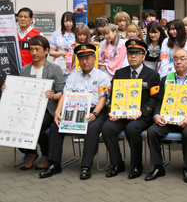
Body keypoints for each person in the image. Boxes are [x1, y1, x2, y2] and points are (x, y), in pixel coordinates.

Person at [39, 44, 109, 179]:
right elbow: (65, 95)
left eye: (88, 58)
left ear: (94, 59)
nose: (85, 62)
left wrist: (94, 114)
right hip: (75, 109)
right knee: (56, 126)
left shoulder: (102, 76)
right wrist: (57, 113)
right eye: (81, 59)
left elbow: (103, 98)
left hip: (95, 111)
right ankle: (54, 164)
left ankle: (86, 166)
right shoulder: (72, 76)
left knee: (92, 128)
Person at [1, 36, 65, 171]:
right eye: (31, 49)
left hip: (48, 109)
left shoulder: (55, 69)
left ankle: (46, 154)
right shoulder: (24, 69)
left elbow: (62, 92)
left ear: (46, 50)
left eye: (37, 49)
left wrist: (53, 96)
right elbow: (19, 90)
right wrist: (7, 89)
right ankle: (29, 153)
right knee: (16, 125)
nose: (34, 52)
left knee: (37, 126)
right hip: (27, 107)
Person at [102, 39, 162, 179]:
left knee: (132, 128)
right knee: (107, 128)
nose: (133, 56)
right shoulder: (119, 73)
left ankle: (136, 165)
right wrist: (113, 111)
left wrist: (142, 111)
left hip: (141, 115)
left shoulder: (153, 75)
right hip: (122, 113)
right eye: (130, 53)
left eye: (137, 53)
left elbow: (154, 99)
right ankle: (117, 163)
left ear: (143, 56)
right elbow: (116, 96)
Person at [145, 49, 187, 183]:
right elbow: (159, 101)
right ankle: (158, 167)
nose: (179, 61)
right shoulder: (166, 79)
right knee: (152, 131)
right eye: (176, 58)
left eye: (183, 58)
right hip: (168, 120)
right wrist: (156, 115)